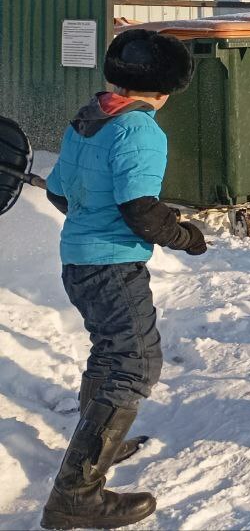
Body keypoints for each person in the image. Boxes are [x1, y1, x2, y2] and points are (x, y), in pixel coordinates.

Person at [42, 29, 206, 531]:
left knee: (111, 351)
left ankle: (96, 448)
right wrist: (185, 235)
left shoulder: (88, 118)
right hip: (112, 264)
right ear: (165, 90)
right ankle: (76, 493)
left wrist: (92, 218)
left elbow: (58, 192)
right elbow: (140, 210)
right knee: (135, 364)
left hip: (78, 259)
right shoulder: (140, 130)